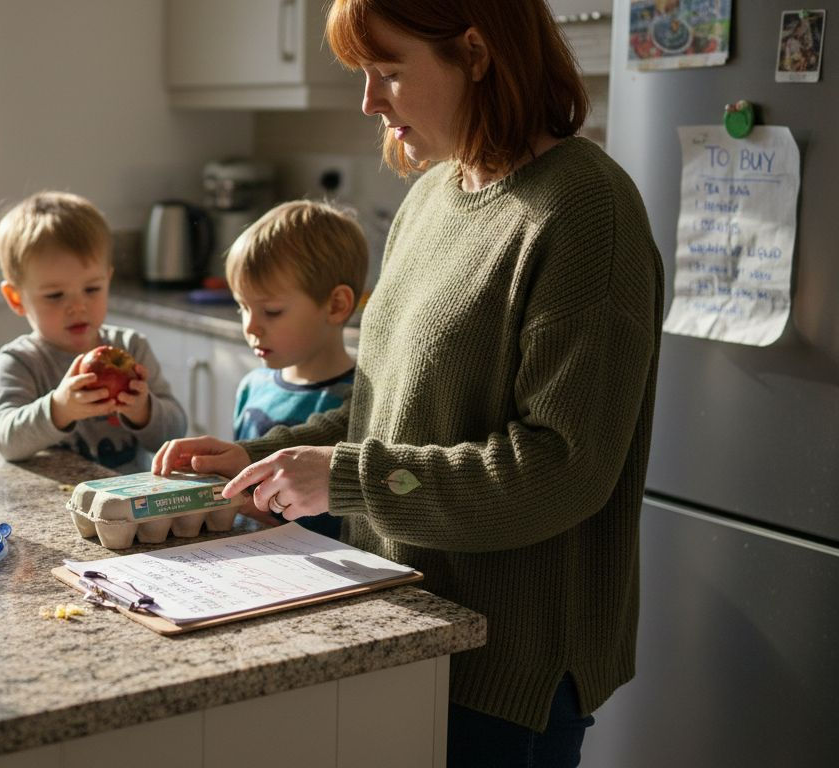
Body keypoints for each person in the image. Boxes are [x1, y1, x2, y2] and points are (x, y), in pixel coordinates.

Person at [152, 1, 663, 765]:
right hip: (395, 618)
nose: (369, 100)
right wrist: (264, 454)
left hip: (502, 664)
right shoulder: (432, 197)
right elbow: (386, 405)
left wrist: (344, 479)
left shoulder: (585, 209)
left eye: (389, 72)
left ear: (478, 53)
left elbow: (562, 470)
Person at [0, 191, 187, 471]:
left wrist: (143, 410)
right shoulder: (21, 361)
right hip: (53, 506)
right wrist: (59, 408)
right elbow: (3, 440)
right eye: (55, 295)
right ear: (16, 298)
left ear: (108, 280)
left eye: (92, 289)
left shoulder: (133, 348)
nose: (78, 307)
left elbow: (174, 431)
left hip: (129, 507)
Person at [225, 200, 367, 538]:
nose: (251, 327)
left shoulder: (359, 400)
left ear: (336, 305)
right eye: (243, 308)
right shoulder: (252, 386)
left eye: (271, 311)